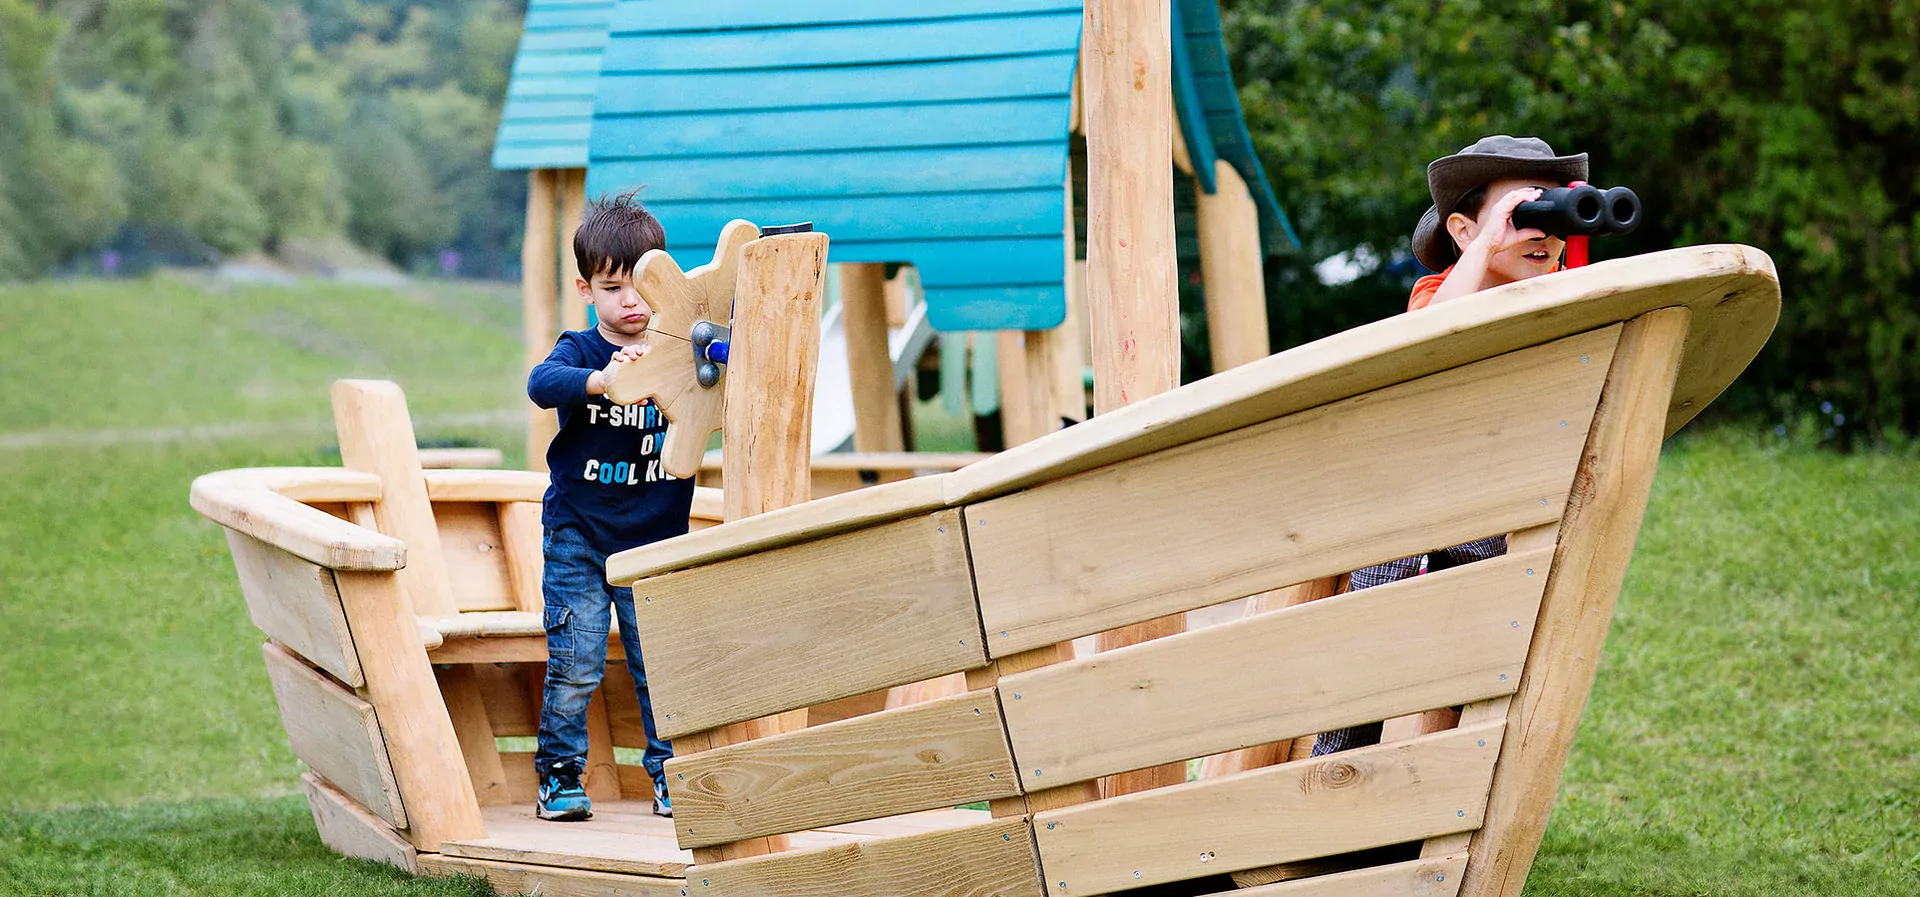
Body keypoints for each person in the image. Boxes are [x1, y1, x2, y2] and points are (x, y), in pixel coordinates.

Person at [1313, 136, 1588, 757]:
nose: (1540, 229)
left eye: (1552, 211)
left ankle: (1443, 794)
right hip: (1411, 510)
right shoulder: (1438, 292)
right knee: (1372, 654)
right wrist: (1490, 245)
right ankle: (1337, 775)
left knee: (1481, 664)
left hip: (1501, 512)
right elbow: (1431, 337)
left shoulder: (1562, 297)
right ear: (1463, 231)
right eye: (1521, 214)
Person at [526, 190, 690, 821]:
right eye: (612, 286)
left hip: (656, 539)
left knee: (660, 666)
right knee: (578, 660)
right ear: (585, 289)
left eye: (642, 285)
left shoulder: (682, 348)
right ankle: (560, 777)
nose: (630, 301)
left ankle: (671, 776)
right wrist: (601, 381)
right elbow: (542, 384)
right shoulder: (582, 351)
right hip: (579, 535)